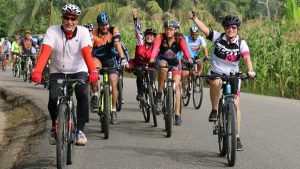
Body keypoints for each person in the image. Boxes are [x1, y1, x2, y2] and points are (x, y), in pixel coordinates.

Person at [31, 3, 98, 145]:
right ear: (62, 18)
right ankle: (55, 127)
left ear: (77, 20)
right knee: (53, 98)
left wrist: (92, 70)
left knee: (83, 95)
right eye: (67, 18)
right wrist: (37, 70)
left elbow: (86, 52)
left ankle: (80, 130)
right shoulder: (52, 31)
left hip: (78, 70)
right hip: (58, 71)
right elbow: (46, 52)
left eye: (73, 19)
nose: (69, 21)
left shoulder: (84, 32)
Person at [188, 12, 256, 151]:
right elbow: (205, 29)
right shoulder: (218, 37)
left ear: (237, 28)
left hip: (233, 75)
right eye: (228, 27)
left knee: (236, 104)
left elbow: (247, 58)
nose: (231, 30)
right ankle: (214, 110)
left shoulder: (241, 42)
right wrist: (195, 18)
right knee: (215, 83)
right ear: (224, 28)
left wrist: (250, 70)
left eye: (233, 27)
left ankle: (236, 137)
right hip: (217, 72)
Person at [149, 19, 193, 126]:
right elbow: (155, 48)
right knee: (163, 69)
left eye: (170, 29)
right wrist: (151, 58)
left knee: (176, 87)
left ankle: (177, 114)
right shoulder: (161, 37)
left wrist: (190, 59)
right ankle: (159, 93)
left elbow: (186, 52)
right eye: (166, 29)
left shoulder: (180, 39)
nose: (168, 31)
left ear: (175, 30)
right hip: (163, 59)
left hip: (175, 62)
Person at [90, 12, 128, 125]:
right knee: (93, 70)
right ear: (98, 25)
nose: (104, 27)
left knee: (113, 81)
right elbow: (89, 47)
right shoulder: (93, 33)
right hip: (97, 58)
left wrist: (123, 58)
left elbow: (117, 44)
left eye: (106, 24)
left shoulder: (113, 30)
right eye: (102, 25)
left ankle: (113, 110)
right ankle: (95, 95)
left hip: (110, 58)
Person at [128, 9, 157, 102]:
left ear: (154, 38)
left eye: (152, 36)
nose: (149, 37)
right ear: (145, 36)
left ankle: (154, 99)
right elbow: (138, 31)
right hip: (138, 66)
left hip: (150, 67)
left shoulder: (156, 46)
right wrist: (135, 19)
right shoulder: (140, 43)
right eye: (148, 35)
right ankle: (140, 93)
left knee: (152, 81)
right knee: (140, 74)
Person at [181, 24, 208, 97]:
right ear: (191, 33)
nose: (195, 36)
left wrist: (206, 56)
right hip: (186, 57)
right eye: (193, 35)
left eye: (196, 34)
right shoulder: (186, 38)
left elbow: (204, 47)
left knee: (200, 63)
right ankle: (183, 89)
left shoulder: (201, 38)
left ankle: (197, 77)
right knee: (184, 74)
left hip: (195, 56)